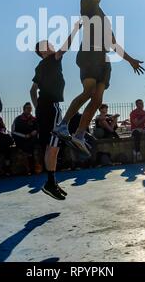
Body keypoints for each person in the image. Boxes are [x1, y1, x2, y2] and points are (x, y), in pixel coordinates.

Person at [54, 0, 145, 155]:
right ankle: (63, 124)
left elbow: (113, 43)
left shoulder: (104, 17)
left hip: (104, 60)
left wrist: (130, 60)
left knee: (97, 100)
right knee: (88, 92)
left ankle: (79, 134)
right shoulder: (86, 6)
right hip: (89, 54)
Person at [30, 20, 81, 200]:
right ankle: (50, 183)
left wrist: (37, 110)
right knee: (53, 146)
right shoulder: (51, 59)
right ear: (44, 51)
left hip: (44, 107)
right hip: (51, 107)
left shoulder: (39, 67)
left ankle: (51, 181)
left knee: (53, 145)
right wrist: (75, 29)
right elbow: (65, 47)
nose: (52, 44)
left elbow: (32, 91)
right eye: (48, 44)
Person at [11, 102, 42, 175]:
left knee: (34, 144)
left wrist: (34, 132)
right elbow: (13, 131)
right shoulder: (18, 119)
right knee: (26, 148)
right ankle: (28, 169)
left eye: (30, 108)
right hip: (21, 139)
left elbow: (38, 129)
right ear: (24, 109)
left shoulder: (34, 119)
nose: (29, 109)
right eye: (27, 108)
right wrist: (24, 136)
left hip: (31, 139)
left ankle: (34, 168)